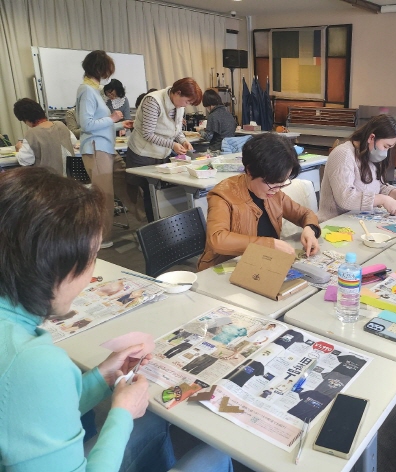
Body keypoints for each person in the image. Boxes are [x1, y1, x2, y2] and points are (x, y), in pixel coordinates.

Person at [0, 167, 233, 472]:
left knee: (151, 421)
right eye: (92, 257)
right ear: (54, 265)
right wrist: (122, 414)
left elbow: (36, 410)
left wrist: (102, 378)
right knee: (215, 456)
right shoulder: (32, 362)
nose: (91, 276)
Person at [198, 133, 321, 270]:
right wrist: (269, 244)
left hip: (262, 265)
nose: (276, 190)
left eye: (281, 184)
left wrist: (310, 229)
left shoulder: (275, 193)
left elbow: (304, 214)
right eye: (271, 183)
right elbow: (217, 240)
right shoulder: (223, 195)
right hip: (226, 269)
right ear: (249, 171)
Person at [76, 50, 132, 249]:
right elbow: (86, 124)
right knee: (105, 196)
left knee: (125, 182)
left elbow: (99, 124)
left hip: (105, 147)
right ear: (101, 69)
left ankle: (144, 219)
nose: (109, 74)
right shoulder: (87, 90)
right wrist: (112, 119)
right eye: (108, 69)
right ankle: (102, 238)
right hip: (96, 148)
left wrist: (119, 125)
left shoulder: (94, 90)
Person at [126, 78, 202, 222]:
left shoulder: (179, 105)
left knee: (161, 193)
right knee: (150, 194)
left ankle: (164, 224)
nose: (187, 105)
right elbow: (148, 134)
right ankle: (153, 227)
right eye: (187, 101)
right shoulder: (153, 101)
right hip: (143, 154)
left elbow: (176, 130)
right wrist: (172, 145)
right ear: (178, 93)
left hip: (162, 154)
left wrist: (183, 141)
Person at [318, 114, 396, 222]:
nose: (386, 152)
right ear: (371, 138)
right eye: (385, 146)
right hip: (335, 223)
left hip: (360, 219)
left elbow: (378, 186)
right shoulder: (343, 154)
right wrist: (383, 199)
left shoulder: (369, 154)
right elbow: (345, 198)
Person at [12, 98, 76, 176]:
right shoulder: (61, 125)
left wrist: (18, 150)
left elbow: (26, 160)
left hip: (46, 179)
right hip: (69, 178)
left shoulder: (32, 133)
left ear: (26, 119)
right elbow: (73, 141)